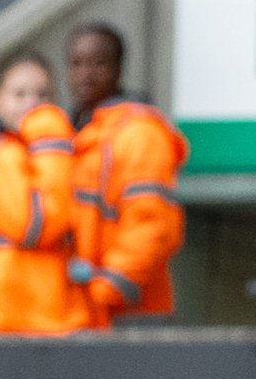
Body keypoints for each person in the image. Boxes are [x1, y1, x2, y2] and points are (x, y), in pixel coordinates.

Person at [0, 46, 87, 332]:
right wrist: (50, 135)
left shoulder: (40, 154)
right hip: (6, 329)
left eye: (43, 95)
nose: (32, 104)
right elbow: (37, 225)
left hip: (40, 328)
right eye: (19, 94)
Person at [65, 22, 185, 321]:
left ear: (118, 69)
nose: (86, 74)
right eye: (76, 63)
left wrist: (107, 289)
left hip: (128, 314)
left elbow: (151, 223)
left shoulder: (139, 132)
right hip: (85, 314)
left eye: (99, 63)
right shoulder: (75, 133)